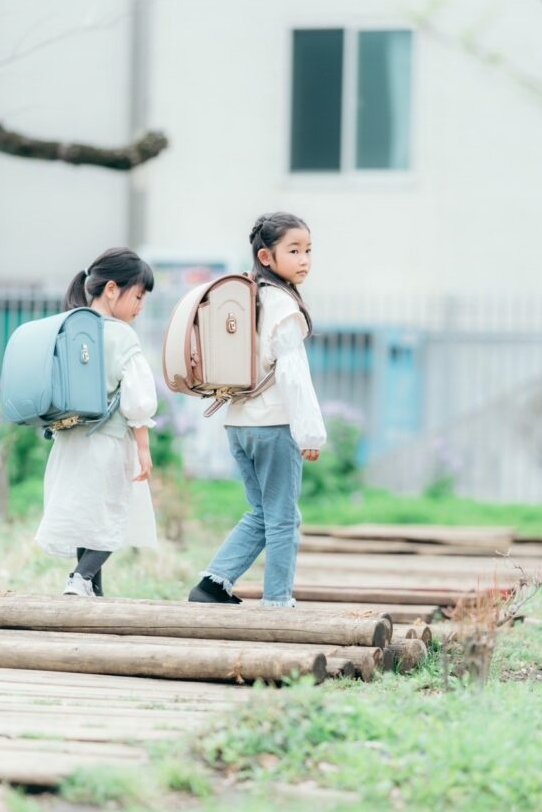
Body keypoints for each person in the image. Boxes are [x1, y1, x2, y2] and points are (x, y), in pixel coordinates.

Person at [189, 211, 326, 608]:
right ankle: (277, 602)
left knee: (264, 512)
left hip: (238, 424)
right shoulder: (282, 305)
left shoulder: (244, 297)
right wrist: (311, 433)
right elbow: (294, 375)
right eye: (294, 250)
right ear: (266, 257)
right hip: (274, 424)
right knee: (283, 519)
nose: (304, 259)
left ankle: (212, 585)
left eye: (308, 250)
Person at [35, 248, 158, 597]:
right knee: (114, 514)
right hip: (108, 442)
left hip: (70, 440)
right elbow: (138, 399)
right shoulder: (121, 335)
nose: (140, 305)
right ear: (112, 289)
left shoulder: (70, 326)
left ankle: (91, 591)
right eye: (138, 295)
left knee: (84, 518)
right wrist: (144, 448)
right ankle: (81, 578)